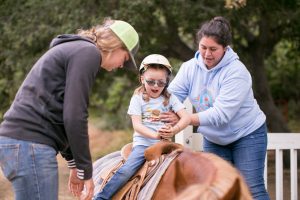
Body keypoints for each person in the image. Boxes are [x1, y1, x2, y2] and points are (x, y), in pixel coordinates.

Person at [0, 18, 139, 200]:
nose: (121, 66)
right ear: (116, 45)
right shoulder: (88, 53)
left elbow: (60, 111)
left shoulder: (76, 50)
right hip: (30, 144)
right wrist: (86, 171)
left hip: (20, 142)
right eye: (125, 59)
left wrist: (74, 164)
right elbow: (75, 115)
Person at [161, 16, 270, 200]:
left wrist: (184, 118)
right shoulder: (189, 68)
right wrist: (157, 106)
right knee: (214, 190)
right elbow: (171, 97)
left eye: (213, 49)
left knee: (251, 188)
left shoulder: (237, 72)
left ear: (225, 48)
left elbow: (221, 114)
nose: (207, 54)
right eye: (203, 47)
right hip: (214, 139)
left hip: (248, 135)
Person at [94, 54, 191, 200]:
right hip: (144, 146)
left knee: (189, 165)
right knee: (126, 171)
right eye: (151, 82)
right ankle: (101, 197)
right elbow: (137, 125)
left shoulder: (170, 98)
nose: (156, 86)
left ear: (167, 82)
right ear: (142, 79)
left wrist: (174, 129)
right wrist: (155, 135)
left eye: (161, 82)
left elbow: (186, 117)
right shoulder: (138, 98)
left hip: (166, 145)